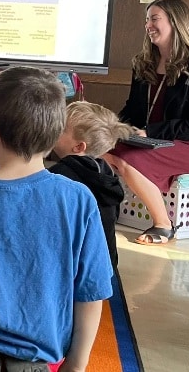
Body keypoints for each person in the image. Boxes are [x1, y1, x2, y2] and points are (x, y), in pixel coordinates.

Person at [0, 67, 113, 372]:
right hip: (44, 348)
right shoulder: (79, 199)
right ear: (56, 133)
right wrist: (76, 365)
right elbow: (91, 291)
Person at [104, 0, 189, 245]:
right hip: (150, 140)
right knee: (99, 148)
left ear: (175, 23)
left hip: (188, 146)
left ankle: (163, 224)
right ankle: (107, 209)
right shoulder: (142, 63)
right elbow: (132, 110)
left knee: (129, 159)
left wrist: (151, 131)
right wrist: (113, 128)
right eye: (147, 19)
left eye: (154, 19)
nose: (148, 25)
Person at [50, 101, 135, 268]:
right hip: (106, 266)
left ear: (79, 146)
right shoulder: (106, 172)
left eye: (61, 129)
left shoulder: (61, 175)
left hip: (77, 267)